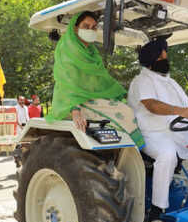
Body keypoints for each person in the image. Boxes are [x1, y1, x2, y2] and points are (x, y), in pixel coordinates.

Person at [46, 11, 144, 149]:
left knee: (129, 106)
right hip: (71, 101)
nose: (90, 30)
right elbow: (67, 82)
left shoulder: (91, 51)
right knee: (124, 112)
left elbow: (101, 80)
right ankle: (137, 151)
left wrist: (119, 93)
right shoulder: (67, 48)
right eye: (86, 26)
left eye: (93, 27)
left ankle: (131, 150)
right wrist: (75, 109)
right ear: (75, 28)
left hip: (89, 97)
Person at [128, 37, 188, 222]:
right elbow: (152, 105)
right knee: (167, 156)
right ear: (153, 59)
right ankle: (156, 212)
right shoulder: (142, 80)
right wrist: (179, 111)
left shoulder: (171, 82)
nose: (166, 58)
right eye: (163, 55)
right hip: (150, 134)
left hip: (176, 132)